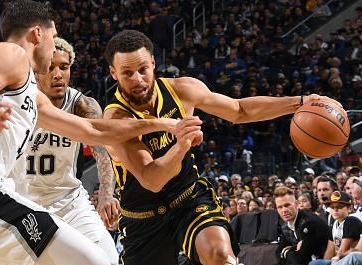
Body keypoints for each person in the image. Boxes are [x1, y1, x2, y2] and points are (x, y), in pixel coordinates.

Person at [0, 0, 197, 265]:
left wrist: (161, 124)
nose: (53, 48)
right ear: (38, 34)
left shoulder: (30, 93)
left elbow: (94, 130)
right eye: (53, 38)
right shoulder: (10, 54)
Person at [102, 29, 335, 265]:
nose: (138, 80)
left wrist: (300, 102)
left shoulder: (182, 90)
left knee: (220, 256)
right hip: (143, 216)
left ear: (153, 63)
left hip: (188, 199)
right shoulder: (116, 120)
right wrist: (182, 144)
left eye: (143, 70)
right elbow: (151, 179)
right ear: (113, 74)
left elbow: (239, 110)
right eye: (127, 74)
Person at [12, 37, 118, 264]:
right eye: (50, 68)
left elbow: (103, 153)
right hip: (26, 205)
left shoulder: (83, 106)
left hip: (69, 201)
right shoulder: (17, 104)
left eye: (64, 67)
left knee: (108, 258)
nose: (58, 74)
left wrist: (107, 195)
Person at [274, 187, 330, 265]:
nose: (284, 210)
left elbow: (300, 260)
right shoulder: (285, 224)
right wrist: (293, 250)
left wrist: (286, 252)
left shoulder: (309, 222)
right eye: (279, 207)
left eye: (287, 205)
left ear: (297, 204)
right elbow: (278, 253)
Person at [309, 191, 362, 265]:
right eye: (332, 207)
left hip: (351, 259)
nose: (335, 210)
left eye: (339, 207)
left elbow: (342, 251)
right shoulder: (334, 224)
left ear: (349, 208)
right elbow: (329, 252)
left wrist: (335, 260)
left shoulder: (351, 221)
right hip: (341, 260)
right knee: (315, 263)